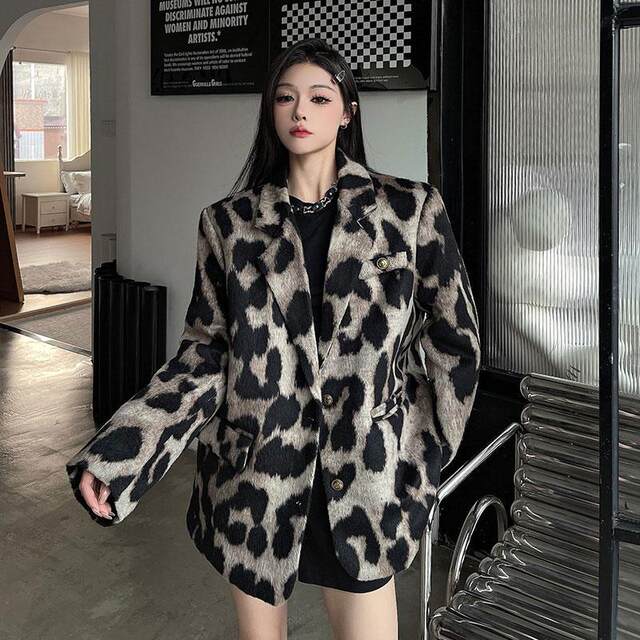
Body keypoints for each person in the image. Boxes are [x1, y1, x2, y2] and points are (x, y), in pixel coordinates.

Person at [66, 37, 481, 640]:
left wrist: (420, 449)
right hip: (256, 479)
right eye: (285, 98)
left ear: (348, 111)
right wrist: (122, 454)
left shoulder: (408, 211)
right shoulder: (229, 225)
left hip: (366, 481)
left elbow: (455, 341)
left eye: (319, 97)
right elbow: (205, 357)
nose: (300, 111)